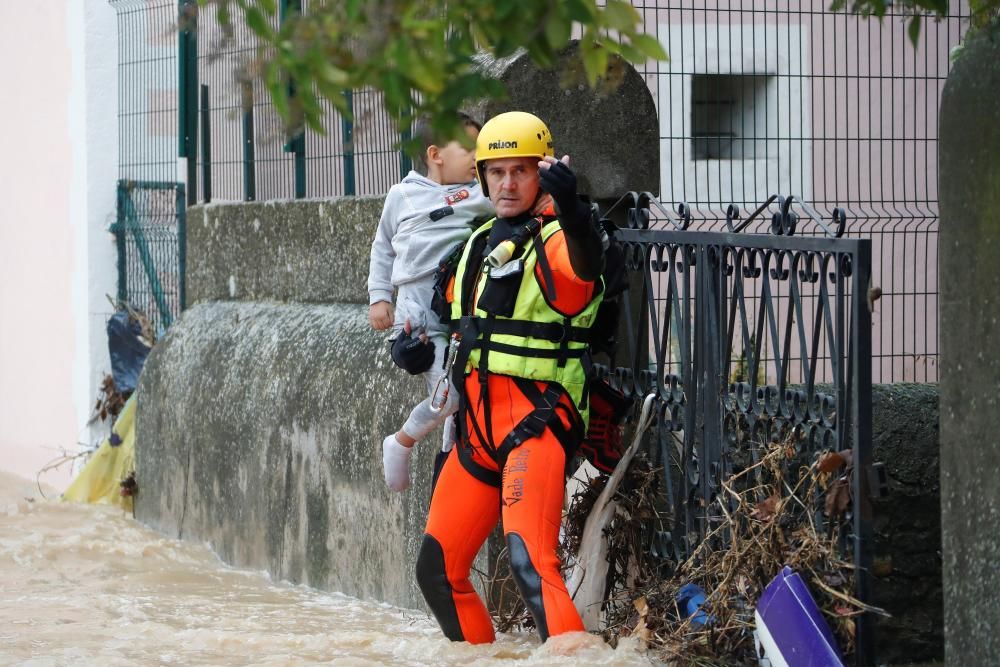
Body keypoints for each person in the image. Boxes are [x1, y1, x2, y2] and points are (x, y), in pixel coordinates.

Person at [414, 111, 606, 644]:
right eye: (496, 172)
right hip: (477, 433)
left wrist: (573, 210)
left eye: (520, 170)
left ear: (540, 173)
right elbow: (450, 326)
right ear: (481, 176)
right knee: (436, 572)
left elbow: (586, 271)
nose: (507, 183)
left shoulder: (559, 240)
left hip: (536, 426)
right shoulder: (475, 244)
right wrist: (412, 353)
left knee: (530, 564)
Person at [367, 113, 492, 492]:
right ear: (435, 154)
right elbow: (382, 247)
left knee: (461, 392)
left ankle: (449, 467)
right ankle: (401, 442)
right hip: (416, 313)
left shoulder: (478, 193)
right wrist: (379, 297)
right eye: (468, 148)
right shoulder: (402, 195)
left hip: (460, 306)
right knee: (448, 395)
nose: (477, 157)